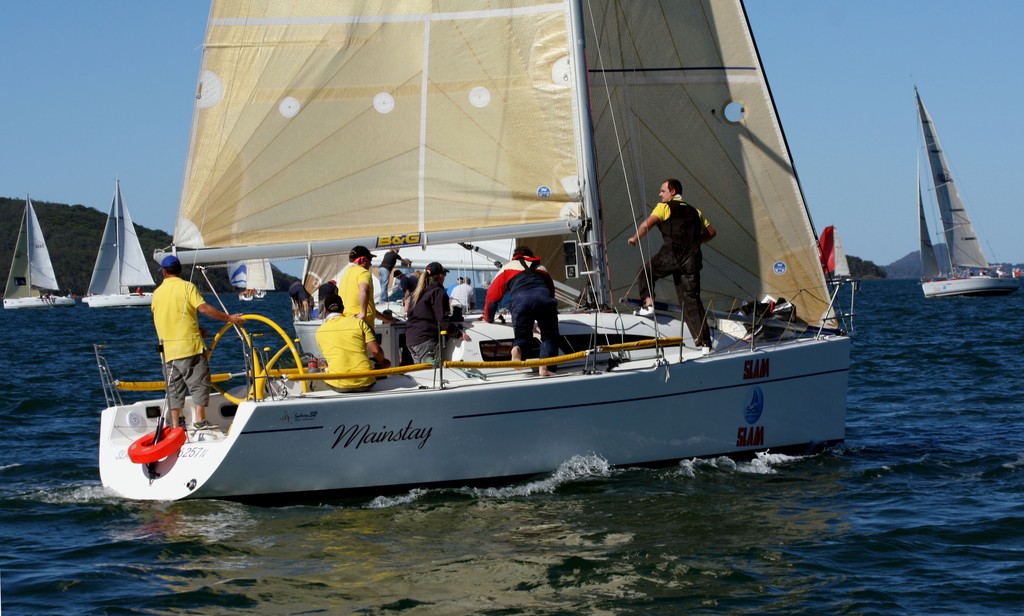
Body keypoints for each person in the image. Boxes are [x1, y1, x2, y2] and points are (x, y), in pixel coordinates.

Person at [151, 255, 246, 430]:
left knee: (174, 390)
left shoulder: (157, 294)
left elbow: (167, 318)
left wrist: (196, 328)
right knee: (200, 383)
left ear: (164, 272)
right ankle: (200, 420)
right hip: (189, 348)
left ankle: (175, 426)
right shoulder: (188, 287)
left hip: (167, 352)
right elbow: (203, 308)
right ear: (179, 270)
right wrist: (229, 318)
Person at [628, 178, 716, 349]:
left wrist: (635, 238)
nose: (660, 194)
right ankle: (705, 343)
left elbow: (647, 224)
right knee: (691, 300)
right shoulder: (695, 211)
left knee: (646, 270)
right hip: (692, 259)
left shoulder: (664, 207)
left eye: (663, 191)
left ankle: (648, 304)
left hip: (672, 255)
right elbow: (711, 233)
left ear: (672, 192)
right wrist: (696, 242)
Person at [483, 246, 559, 376]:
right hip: (544, 299)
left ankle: (517, 348)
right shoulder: (542, 269)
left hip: (520, 301)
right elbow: (551, 291)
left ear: (515, 256)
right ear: (531, 255)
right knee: (549, 336)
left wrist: (488, 318)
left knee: (522, 335)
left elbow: (492, 295)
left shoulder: (508, 267)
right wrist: (544, 321)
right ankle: (545, 368)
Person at [315, 292, 390, 392]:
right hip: (366, 382)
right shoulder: (358, 323)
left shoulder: (319, 331)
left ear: (325, 310)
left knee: (314, 382)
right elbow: (376, 351)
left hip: (339, 385)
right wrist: (384, 362)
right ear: (343, 308)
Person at [406, 262, 470, 364]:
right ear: (440, 276)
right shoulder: (438, 292)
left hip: (411, 340)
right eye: (444, 274)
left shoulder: (418, 292)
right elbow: (442, 320)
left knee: (422, 374)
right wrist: (458, 334)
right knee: (433, 374)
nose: (444, 277)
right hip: (425, 340)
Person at [340, 245, 396, 328]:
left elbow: (369, 308)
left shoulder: (346, 274)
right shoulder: (363, 273)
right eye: (370, 259)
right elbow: (363, 290)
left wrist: (388, 319)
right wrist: (363, 313)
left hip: (347, 321)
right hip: (362, 323)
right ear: (363, 260)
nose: (370, 263)